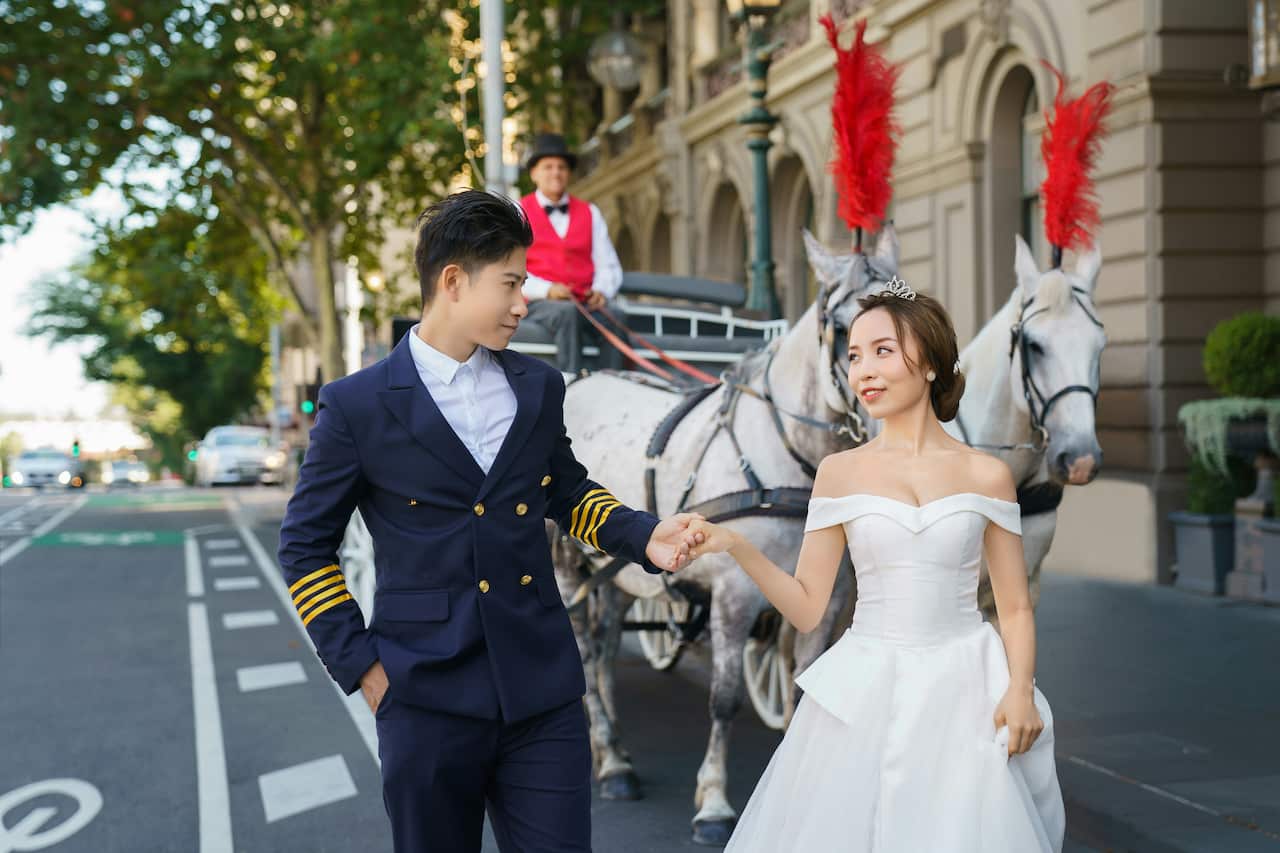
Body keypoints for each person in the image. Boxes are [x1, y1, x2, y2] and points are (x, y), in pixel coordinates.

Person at [277, 189, 702, 853]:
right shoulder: (356, 406)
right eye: (510, 282)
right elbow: (304, 547)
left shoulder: (536, 387)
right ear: (452, 281)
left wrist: (644, 534)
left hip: (543, 693)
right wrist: (362, 666)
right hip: (422, 696)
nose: (523, 301)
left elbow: (566, 492)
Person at [682, 277, 1066, 852]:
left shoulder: (988, 475)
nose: (863, 370)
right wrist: (737, 546)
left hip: (965, 687)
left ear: (931, 363)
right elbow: (809, 609)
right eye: (854, 354)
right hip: (865, 687)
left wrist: (1019, 688)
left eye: (883, 351)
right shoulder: (839, 472)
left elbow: (1013, 605)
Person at [518, 132, 628, 373]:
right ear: (534, 173)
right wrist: (547, 290)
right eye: (548, 167)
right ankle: (570, 384)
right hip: (538, 303)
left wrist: (601, 290)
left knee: (616, 316)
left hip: (585, 301)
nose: (556, 173)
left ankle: (613, 384)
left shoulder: (590, 212)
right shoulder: (518, 212)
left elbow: (608, 264)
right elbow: (510, 269)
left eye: (561, 167)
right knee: (567, 314)